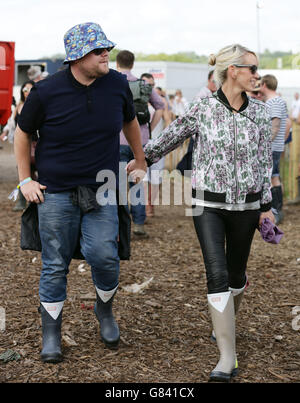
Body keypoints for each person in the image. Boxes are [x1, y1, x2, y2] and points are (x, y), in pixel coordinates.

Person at [128, 44, 274, 382]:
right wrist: (140, 161)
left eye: (257, 69)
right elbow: (171, 136)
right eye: (251, 68)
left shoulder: (261, 113)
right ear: (232, 70)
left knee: (236, 276)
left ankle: (226, 326)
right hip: (206, 204)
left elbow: (265, 163)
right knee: (217, 274)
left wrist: (266, 208)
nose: (257, 75)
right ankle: (228, 355)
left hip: (247, 205)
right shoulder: (203, 108)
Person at [13, 22, 147, 364]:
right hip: (55, 191)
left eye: (107, 49)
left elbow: (130, 121)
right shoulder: (47, 91)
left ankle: (104, 310)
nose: (107, 54)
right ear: (77, 56)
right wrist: (25, 180)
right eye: (99, 50)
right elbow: (23, 133)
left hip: (102, 189)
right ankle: (52, 334)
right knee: (54, 264)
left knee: (104, 256)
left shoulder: (117, 84)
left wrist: (139, 157)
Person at [116, 51, 164, 236]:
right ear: (133, 64)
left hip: (118, 140)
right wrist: (150, 127)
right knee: (136, 183)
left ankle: (121, 226)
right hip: (141, 141)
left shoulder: (113, 83)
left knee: (118, 184)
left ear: (117, 64)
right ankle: (138, 223)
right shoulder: (144, 85)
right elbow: (160, 106)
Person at [1, 81, 35, 211]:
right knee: (24, 171)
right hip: (23, 145)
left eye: (30, 90)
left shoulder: (37, 105)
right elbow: (11, 123)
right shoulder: (19, 106)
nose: (27, 92)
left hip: (37, 144)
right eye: (25, 90)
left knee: (38, 173)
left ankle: (34, 201)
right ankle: (22, 201)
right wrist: (4, 132)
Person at [260, 74, 287, 224]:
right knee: (274, 176)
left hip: (271, 147)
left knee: (272, 177)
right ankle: (277, 210)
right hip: (274, 146)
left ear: (264, 84)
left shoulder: (274, 102)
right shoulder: (275, 101)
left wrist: (265, 144)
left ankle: (276, 210)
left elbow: (275, 126)